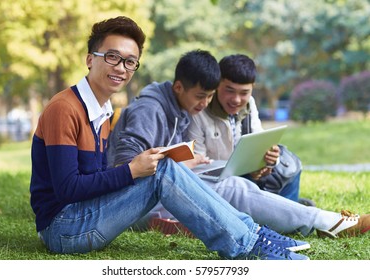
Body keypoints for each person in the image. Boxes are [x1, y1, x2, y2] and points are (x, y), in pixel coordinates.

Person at [29, 17, 309, 260]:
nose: (121, 68)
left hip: (86, 212)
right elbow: (67, 189)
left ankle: (253, 234)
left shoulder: (101, 110)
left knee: (164, 164)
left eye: (129, 61)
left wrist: (143, 166)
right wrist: (131, 171)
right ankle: (248, 242)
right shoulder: (64, 109)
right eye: (111, 57)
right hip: (64, 228)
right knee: (162, 170)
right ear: (90, 59)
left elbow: (96, 176)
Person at [108, 50, 370, 242]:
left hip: (157, 195)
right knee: (230, 185)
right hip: (131, 205)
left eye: (209, 97)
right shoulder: (151, 109)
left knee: (239, 176)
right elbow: (125, 169)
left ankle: (303, 217)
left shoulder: (179, 106)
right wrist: (179, 166)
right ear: (178, 87)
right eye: (201, 96)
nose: (204, 103)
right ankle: (326, 221)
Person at [188, 53, 306, 203]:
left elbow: (258, 139)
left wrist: (269, 160)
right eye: (229, 90)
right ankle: (288, 210)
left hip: (246, 172)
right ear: (217, 85)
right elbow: (198, 166)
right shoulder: (199, 112)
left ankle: (290, 207)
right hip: (218, 181)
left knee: (290, 164)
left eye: (244, 92)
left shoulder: (249, 103)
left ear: (252, 88)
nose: (236, 100)